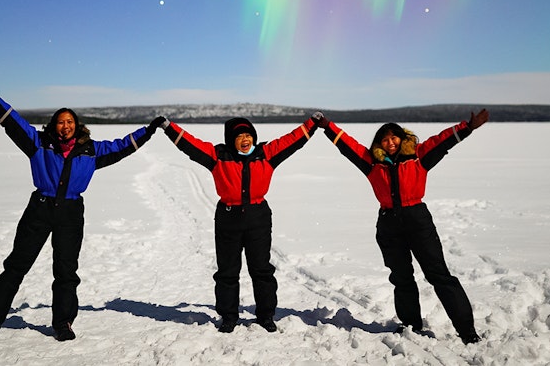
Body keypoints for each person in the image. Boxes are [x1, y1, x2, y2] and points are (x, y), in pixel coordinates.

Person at [0, 76, 165, 346]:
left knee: (66, 271)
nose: (65, 126)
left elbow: (121, 145)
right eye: (60, 121)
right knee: (16, 266)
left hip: (70, 214)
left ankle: (62, 323)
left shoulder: (91, 151)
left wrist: (149, 130)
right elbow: (14, 123)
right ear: (53, 125)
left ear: (77, 125)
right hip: (40, 209)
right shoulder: (38, 143)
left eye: (70, 121)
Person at [314, 109, 489, 344]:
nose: (390, 143)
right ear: (379, 144)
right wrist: (327, 126)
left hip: (417, 219)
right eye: (385, 140)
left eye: (394, 138)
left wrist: (467, 127)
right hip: (388, 224)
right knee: (401, 277)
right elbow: (349, 146)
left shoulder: (419, 156)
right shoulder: (372, 164)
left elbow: (442, 141)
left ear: (402, 138)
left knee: (439, 275)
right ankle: (411, 326)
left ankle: (468, 332)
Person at [158, 113, 323, 333]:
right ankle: (228, 317)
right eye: (240, 136)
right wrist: (168, 127)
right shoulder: (218, 156)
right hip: (228, 219)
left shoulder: (266, 154)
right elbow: (190, 144)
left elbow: (292, 140)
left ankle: (265, 316)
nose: (245, 139)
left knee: (262, 270)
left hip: (258, 218)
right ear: (230, 139)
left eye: (248, 135)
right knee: (227, 271)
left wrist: (312, 124)